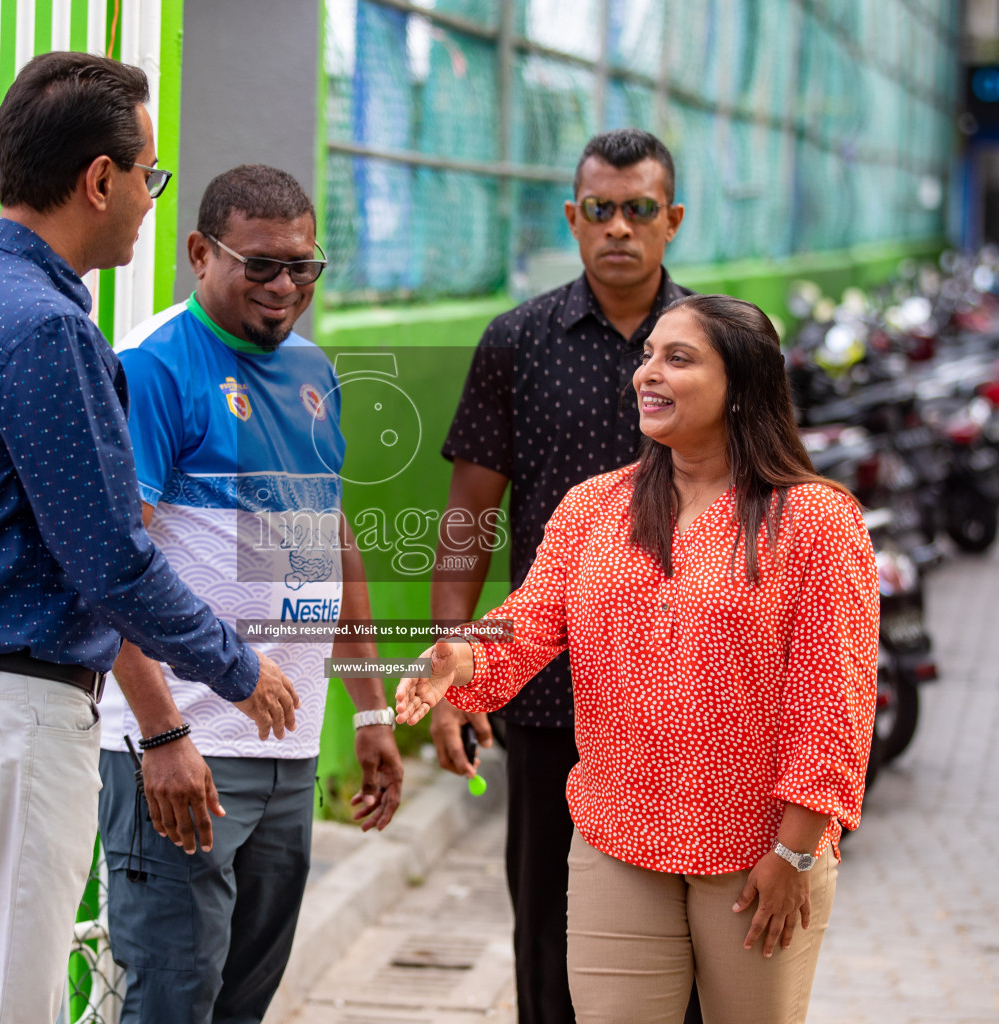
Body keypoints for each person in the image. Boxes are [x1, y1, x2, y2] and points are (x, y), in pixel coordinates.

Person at [0, 54, 299, 1024]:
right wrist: (235, 668)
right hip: (8, 715)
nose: (149, 200)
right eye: (147, 176)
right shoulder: (41, 325)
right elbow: (108, 555)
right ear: (98, 179)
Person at [398, 294, 879, 1024]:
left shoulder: (816, 521)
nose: (647, 374)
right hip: (617, 837)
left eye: (678, 359)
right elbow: (529, 621)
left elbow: (831, 700)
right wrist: (458, 659)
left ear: (742, 384)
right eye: (648, 355)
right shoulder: (595, 507)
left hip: (759, 853)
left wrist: (798, 853)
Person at [95, 164, 405, 1024]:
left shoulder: (311, 369)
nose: (284, 288)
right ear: (201, 253)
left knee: (242, 1005)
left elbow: (330, 540)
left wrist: (368, 712)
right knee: (175, 1002)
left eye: (303, 267)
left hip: (288, 748)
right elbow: (107, 564)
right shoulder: (151, 366)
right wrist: (161, 733)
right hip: (184, 748)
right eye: (259, 265)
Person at [431, 128, 693, 1024]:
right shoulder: (516, 342)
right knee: (549, 926)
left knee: (686, 927)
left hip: (697, 694)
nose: (618, 227)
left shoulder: (723, 346)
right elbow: (469, 515)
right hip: (548, 691)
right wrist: (454, 664)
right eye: (599, 209)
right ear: (572, 219)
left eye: (639, 209)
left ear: (673, 221)